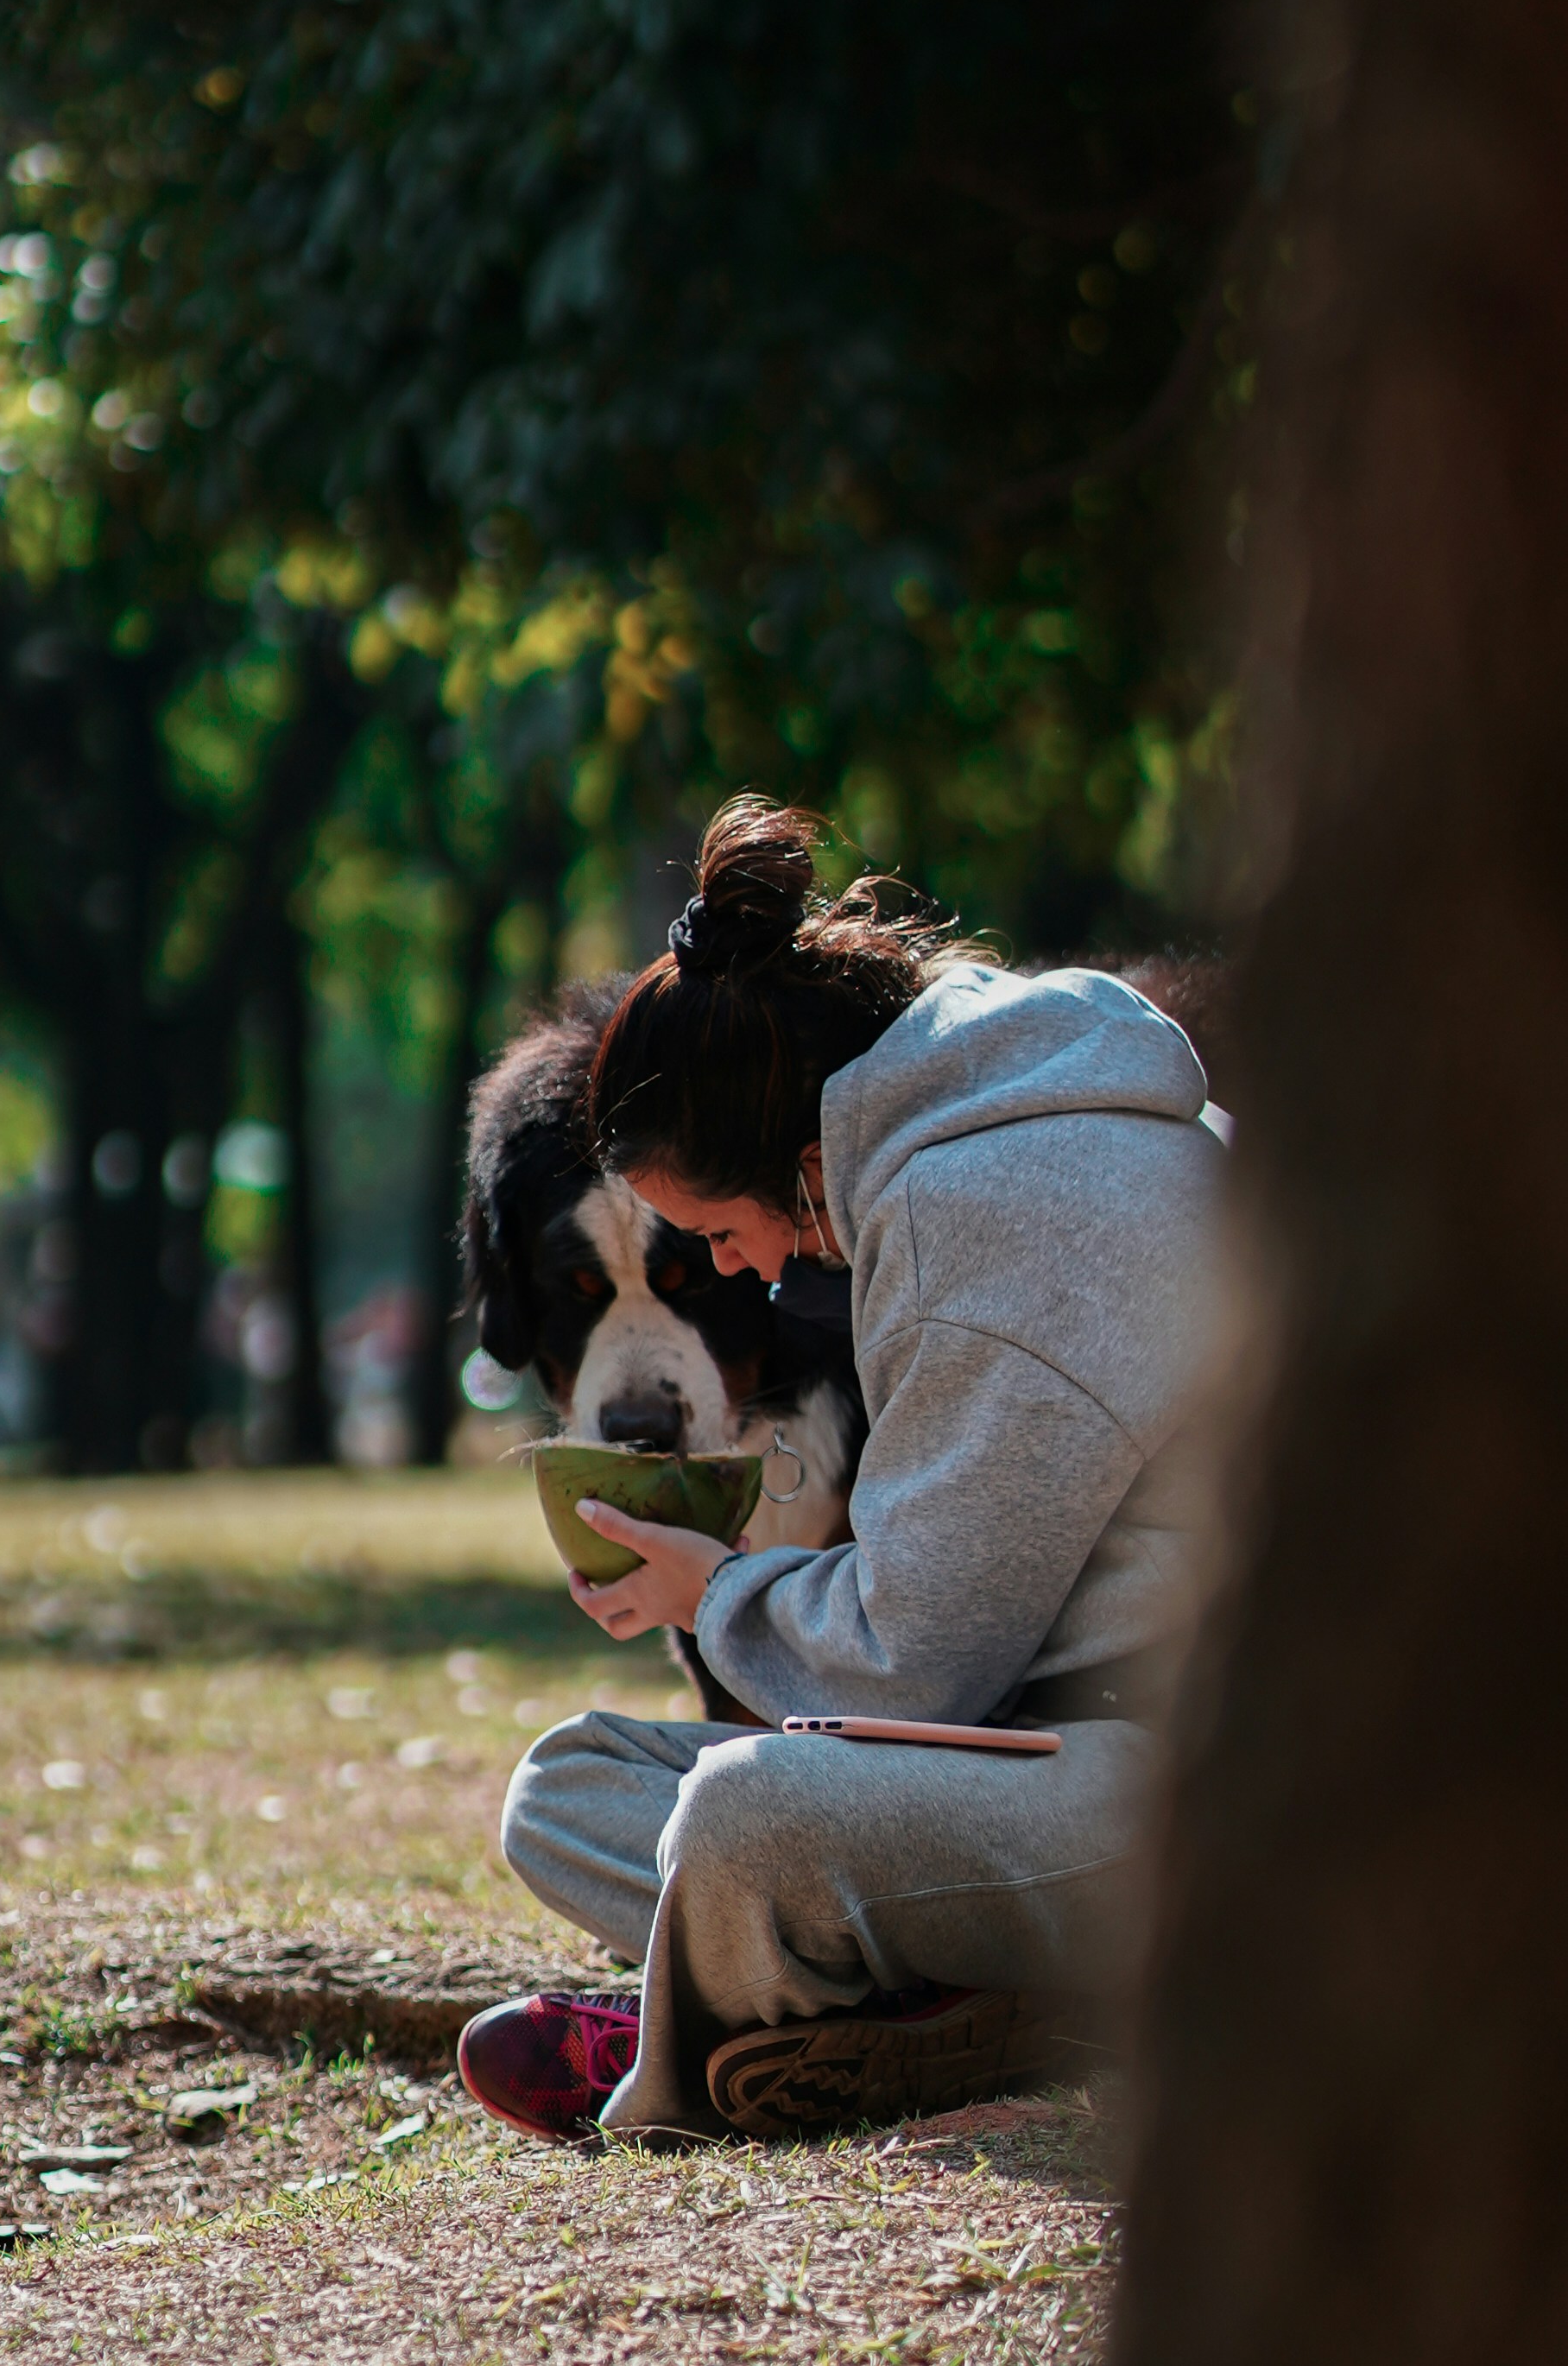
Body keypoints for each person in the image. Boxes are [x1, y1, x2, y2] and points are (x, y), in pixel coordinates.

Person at [456, 797, 1224, 2141]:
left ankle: (814, 2014)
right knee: (570, 1788)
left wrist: (718, 1594)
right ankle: (945, 1997)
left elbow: (917, 1668)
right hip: (1079, 1754)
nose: (749, 1272)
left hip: (1203, 1798)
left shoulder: (971, 1216)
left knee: (749, 1816)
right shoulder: (1001, 1111)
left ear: (795, 1159)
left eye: (720, 1232)